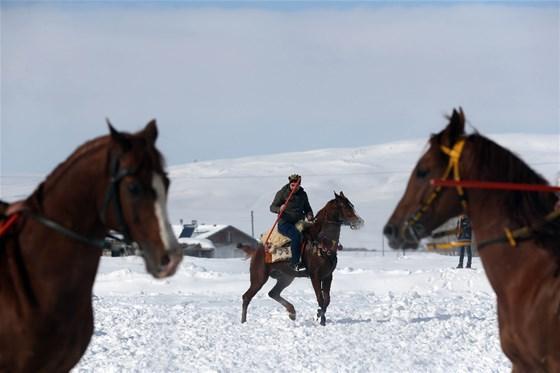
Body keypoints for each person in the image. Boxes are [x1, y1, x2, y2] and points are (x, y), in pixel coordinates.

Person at [270, 174, 314, 270]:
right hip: (284, 223)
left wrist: (309, 215)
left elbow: (307, 208)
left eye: (296, 186)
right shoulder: (282, 193)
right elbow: (272, 207)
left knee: (312, 234)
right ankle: (295, 263)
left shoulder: (303, 194)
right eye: (292, 185)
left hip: (299, 222)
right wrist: (279, 208)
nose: (294, 187)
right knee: (296, 235)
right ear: (290, 184)